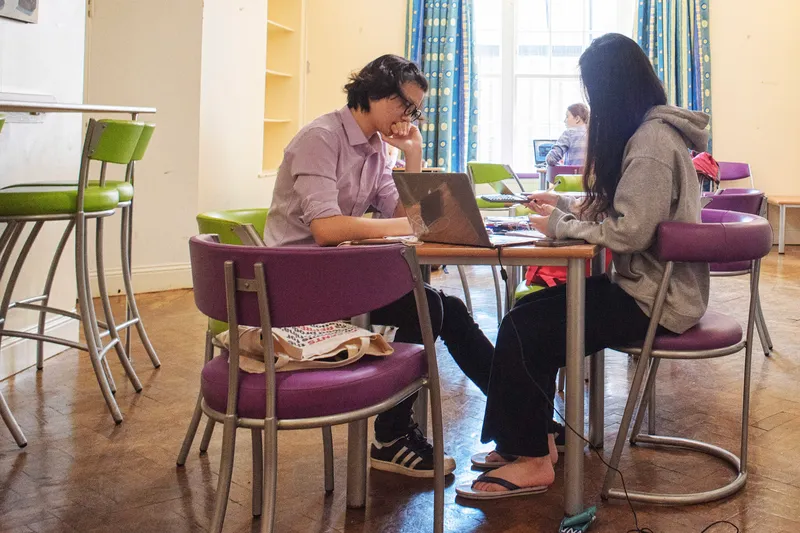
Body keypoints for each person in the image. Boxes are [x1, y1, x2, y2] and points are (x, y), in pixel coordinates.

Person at [456, 33, 710, 499]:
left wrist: (561, 224)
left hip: (656, 299)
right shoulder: (651, 132)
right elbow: (627, 209)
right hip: (647, 287)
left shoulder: (651, 142)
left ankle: (530, 458)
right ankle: (530, 443)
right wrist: (568, 204)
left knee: (528, 328)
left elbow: (630, 231)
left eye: (594, 92)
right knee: (525, 320)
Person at [263, 54, 495, 478]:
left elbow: (407, 210)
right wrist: (408, 222)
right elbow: (327, 229)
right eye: (405, 106)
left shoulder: (375, 150)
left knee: (445, 308)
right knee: (426, 308)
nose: (409, 116)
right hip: (296, 291)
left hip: (335, 278)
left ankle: (517, 418)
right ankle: (391, 439)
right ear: (374, 94)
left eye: (414, 110)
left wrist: (414, 154)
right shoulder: (321, 138)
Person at [545, 102, 589, 167]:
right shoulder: (595, 134)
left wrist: (563, 168)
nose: (565, 120)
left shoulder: (569, 133)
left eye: (567, 116)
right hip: (592, 176)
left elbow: (550, 159)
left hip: (574, 176)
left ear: (577, 119)